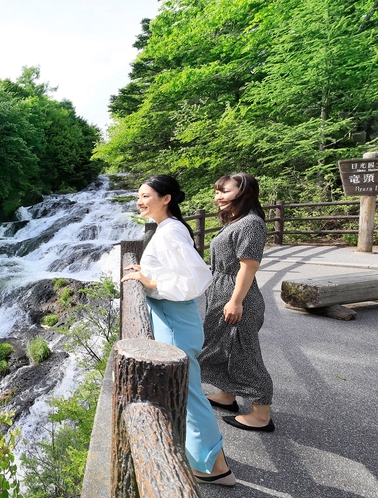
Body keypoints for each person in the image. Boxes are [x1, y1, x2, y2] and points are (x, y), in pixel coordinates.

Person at [121, 175, 235, 486]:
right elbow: (173, 268)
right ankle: (206, 458)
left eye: (146, 196)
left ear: (166, 198)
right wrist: (145, 270)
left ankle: (215, 467)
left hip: (174, 319)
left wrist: (150, 282)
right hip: (174, 317)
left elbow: (196, 278)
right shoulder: (166, 229)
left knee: (188, 391)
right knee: (186, 386)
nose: (140, 201)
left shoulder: (170, 231)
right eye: (138, 197)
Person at [199, 173, 275, 432]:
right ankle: (227, 396)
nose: (218, 196)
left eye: (225, 191)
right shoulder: (237, 221)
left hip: (236, 296)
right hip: (222, 293)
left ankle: (261, 414)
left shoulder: (251, 224)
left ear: (245, 193)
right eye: (217, 191)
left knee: (244, 353)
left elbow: (248, 266)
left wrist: (235, 302)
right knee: (222, 347)